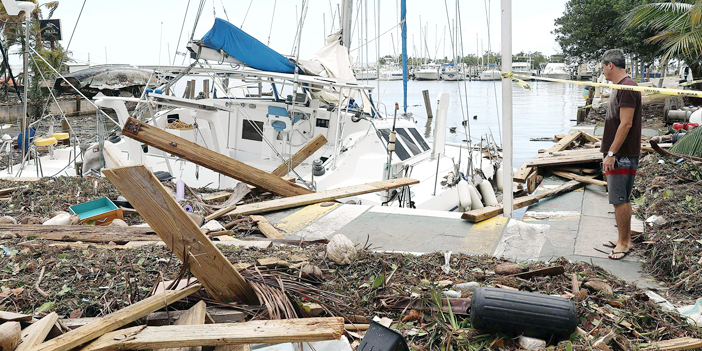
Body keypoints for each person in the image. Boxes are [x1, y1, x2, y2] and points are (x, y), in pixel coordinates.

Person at [599, 49, 642, 260]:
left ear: (610, 65)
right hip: (620, 153)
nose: (603, 72)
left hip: (622, 154)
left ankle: (624, 244)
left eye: (603, 67)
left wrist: (611, 152)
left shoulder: (626, 87)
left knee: (620, 199)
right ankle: (623, 238)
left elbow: (626, 123)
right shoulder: (623, 86)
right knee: (620, 199)